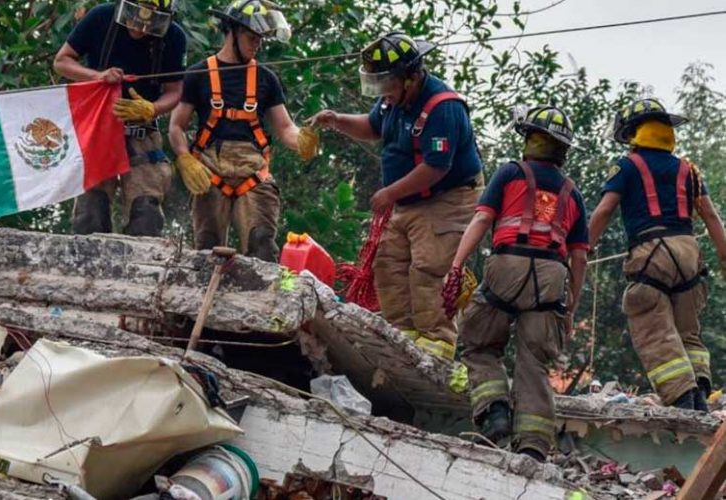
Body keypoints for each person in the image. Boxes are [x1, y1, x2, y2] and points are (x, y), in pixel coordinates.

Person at [309, 32, 483, 360]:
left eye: (386, 81)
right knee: (389, 265)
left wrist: (390, 192)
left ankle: (436, 346)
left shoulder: (443, 107)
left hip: (446, 198)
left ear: (411, 77)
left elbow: (436, 167)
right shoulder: (392, 100)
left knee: (428, 267)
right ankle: (402, 338)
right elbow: (373, 127)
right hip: (407, 199)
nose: (381, 92)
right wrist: (337, 121)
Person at [442, 106, 589, 462]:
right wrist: (570, 308)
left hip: (506, 266)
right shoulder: (573, 193)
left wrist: (456, 265)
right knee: (534, 363)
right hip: (552, 277)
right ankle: (533, 447)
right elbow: (580, 257)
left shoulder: (511, 173)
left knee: (479, 342)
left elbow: (482, 219)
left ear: (529, 140)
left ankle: (495, 413)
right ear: (563, 150)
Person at [589, 98, 726, 412]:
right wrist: (724, 259)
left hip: (651, 252)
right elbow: (712, 217)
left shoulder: (626, 166)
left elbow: (605, 209)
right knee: (687, 330)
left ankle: (683, 397)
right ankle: (700, 390)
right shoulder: (688, 169)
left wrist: (583, 248)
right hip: (690, 254)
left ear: (636, 133)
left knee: (653, 326)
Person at [168, 0, 319, 262]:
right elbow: (176, 126)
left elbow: (285, 128)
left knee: (263, 245)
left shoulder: (266, 78)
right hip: (210, 170)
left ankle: (260, 300)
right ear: (233, 31)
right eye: (252, 37)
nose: (257, 44)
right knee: (207, 251)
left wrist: (302, 141)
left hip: (253, 171)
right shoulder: (199, 73)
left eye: (260, 39)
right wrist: (184, 158)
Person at [53, 0, 187, 236]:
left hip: (142, 132)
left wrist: (152, 109)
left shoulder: (173, 37)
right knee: (91, 209)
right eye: (135, 18)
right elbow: (62, 61)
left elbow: (174, 91)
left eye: (150, 23)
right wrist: (97, 76)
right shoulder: (101, 17)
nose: (140, 28)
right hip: (98, 126)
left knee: (146, 213)